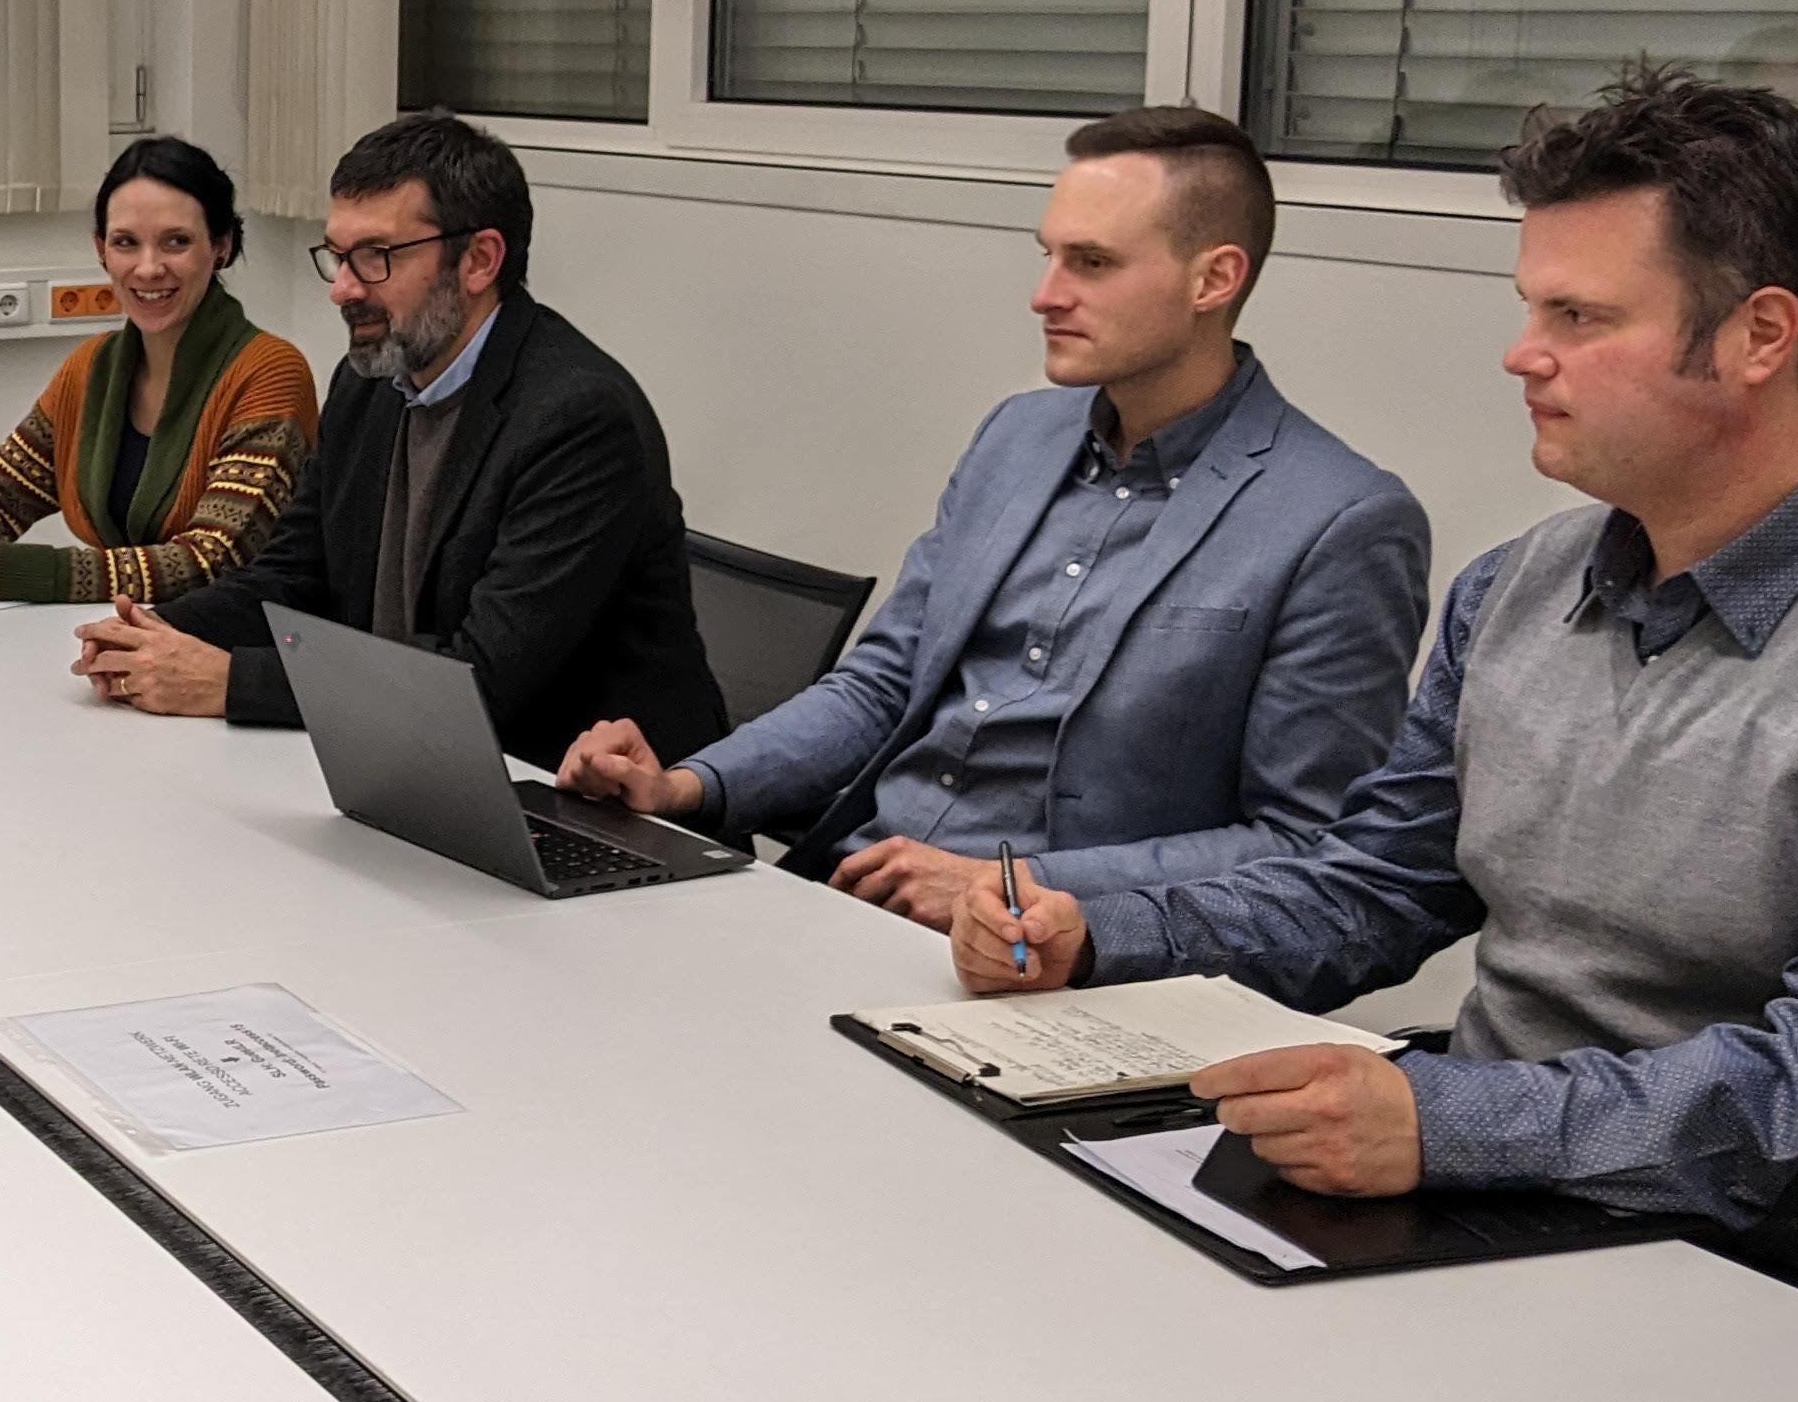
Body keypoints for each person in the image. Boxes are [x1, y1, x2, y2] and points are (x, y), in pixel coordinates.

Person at [955, 66, 1798, 1291]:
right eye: (1533, 309)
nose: (1524, 356)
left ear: (1759, 337)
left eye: (1579, 319)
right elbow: (1377, 889)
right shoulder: (1520, 584)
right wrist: (1102, 936)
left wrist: (1452, 1124)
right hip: (1502, 1206)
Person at [558, 109, 1431, 931]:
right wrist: (687, 786)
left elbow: (1303, 847)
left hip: (1061, 958)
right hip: (845, 900)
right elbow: (886, 684)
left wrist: (1013, 886)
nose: (1045, 295)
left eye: (1091, 263)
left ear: (1215, 278)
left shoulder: (1340, 521)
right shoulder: (1018, 437)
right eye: (1049, 256)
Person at [76, 111, 724, 765]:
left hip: (578, 795)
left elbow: (483, 678)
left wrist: (231, 683)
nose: (342, 288)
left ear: (478, 260)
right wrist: (154, 635)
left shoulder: (578, 418)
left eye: (375, 258)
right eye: (337, 255)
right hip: (411, 765)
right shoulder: (371, 383)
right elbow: (292, 578)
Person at [0, 137, 316, 604]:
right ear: (101, 250)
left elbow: (213, 560)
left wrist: (10, 571)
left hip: (228, 650)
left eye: (177, 241)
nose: (148, 268)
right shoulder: (91, 369)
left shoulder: (270, 372)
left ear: (221, 247)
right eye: (126, 243)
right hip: (121, 636)